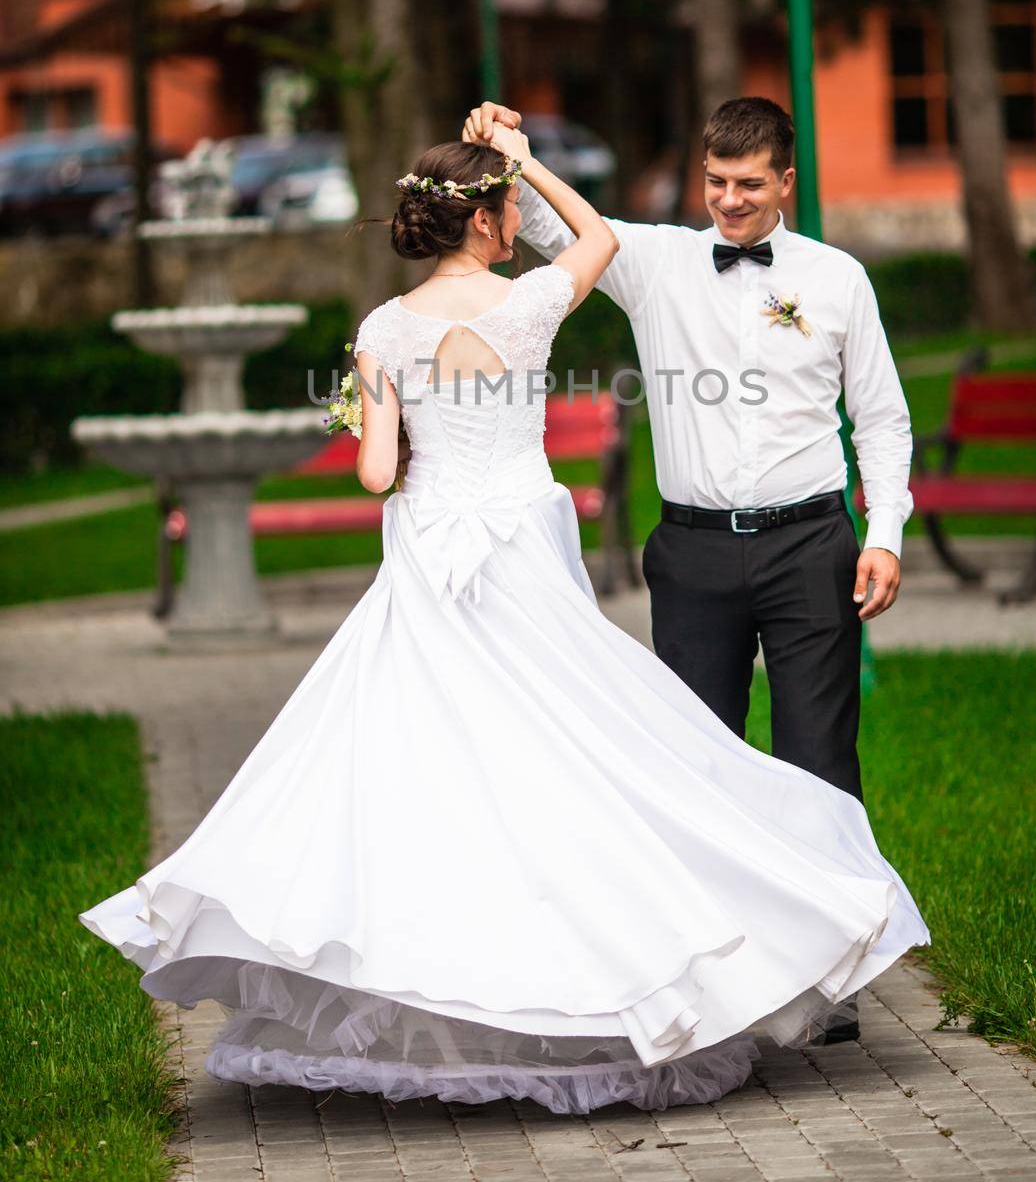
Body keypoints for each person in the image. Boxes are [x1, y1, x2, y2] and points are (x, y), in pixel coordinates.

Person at [80, 130, 928, 1116]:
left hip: (429, 563)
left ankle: (441, 978)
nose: (514, 225)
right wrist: (527, 164)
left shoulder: (378, 327)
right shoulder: (527, 305)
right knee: (569, 760)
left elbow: (373, 472)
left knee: (433, 770)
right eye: (504, 211)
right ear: (486, 217)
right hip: (519, 555)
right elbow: (599, 235)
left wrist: (367, 409)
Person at [463, 95, 916, 1044]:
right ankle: (719, 974)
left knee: (817, 759)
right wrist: (512, 150)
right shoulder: (660, 260)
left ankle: (826, 978)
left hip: (809, 544)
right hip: (694, 550)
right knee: (697, 762)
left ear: (786, 183)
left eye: (749, 185)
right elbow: (552, 227)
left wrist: (884, 533)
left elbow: (879, 418)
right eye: (716, 182)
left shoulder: (837, 280)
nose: (730, 202)